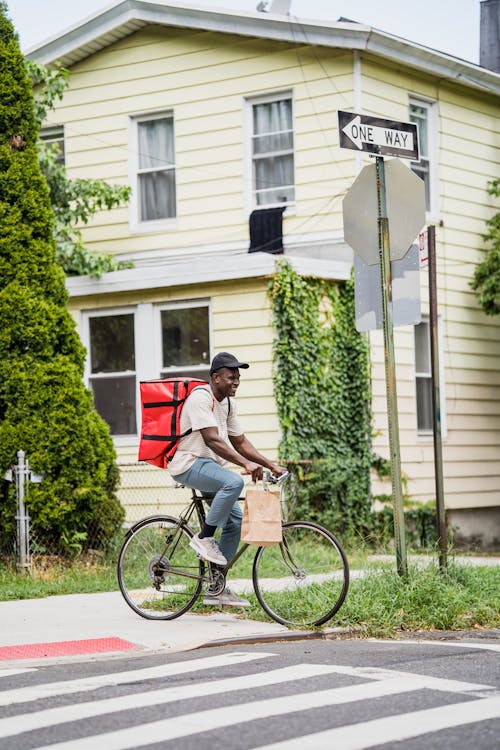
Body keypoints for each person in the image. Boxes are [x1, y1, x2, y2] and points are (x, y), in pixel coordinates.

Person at [168, 351, 286, 607]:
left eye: (238, 378)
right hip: (187, 463)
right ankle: (204, 537)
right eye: (231, 377)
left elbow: (240, 442)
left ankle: (216, 586)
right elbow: (212, 439)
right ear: (216, 378)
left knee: (235, 522)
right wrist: (244, 464)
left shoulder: (228, 404)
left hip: (209, 467)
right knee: (233, 482)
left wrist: (270, 464)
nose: (236, 382)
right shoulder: (201, 397)